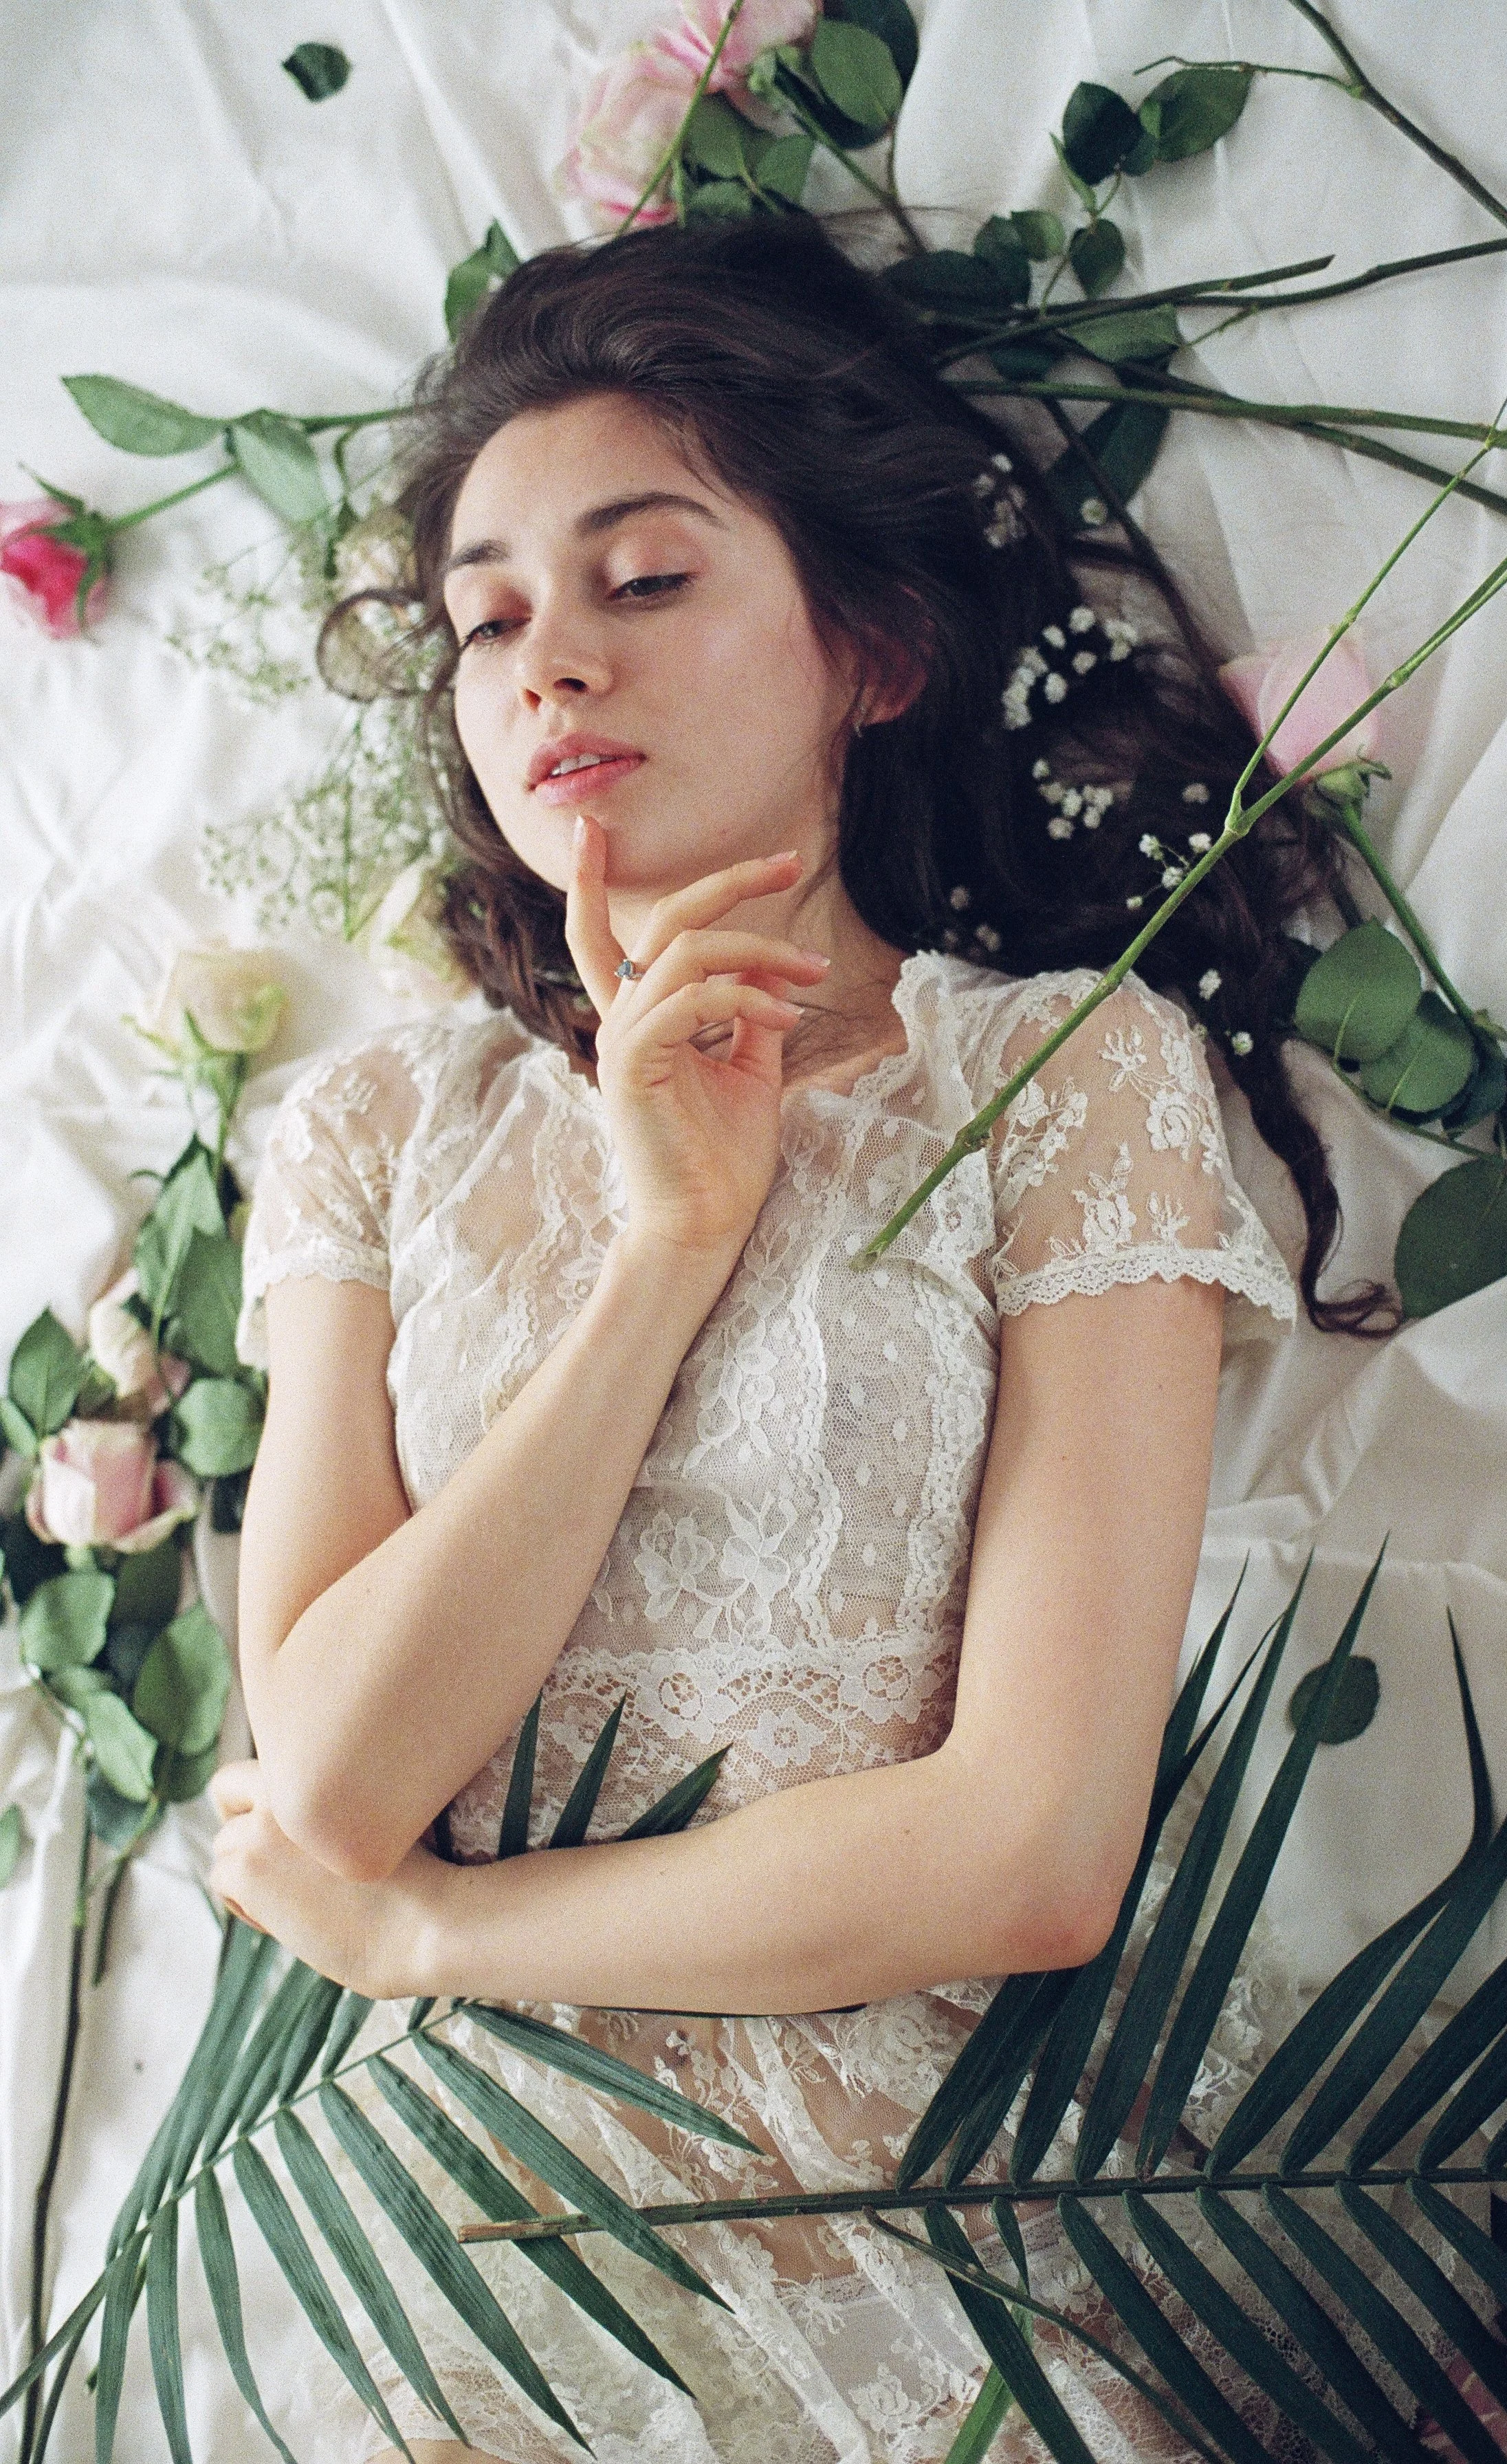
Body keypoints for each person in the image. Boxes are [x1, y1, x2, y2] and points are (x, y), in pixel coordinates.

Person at [208, 215, 1361, 2464]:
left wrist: (448, 1944)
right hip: (445, 2226)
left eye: (647, 579)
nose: (552, 664)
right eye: (489, 616)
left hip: (934, 2176)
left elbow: (1030, 1845)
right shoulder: (374, 1125)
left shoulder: (1063, 1080)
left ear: (874, 648)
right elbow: (337, 1768)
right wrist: (665, 1250)